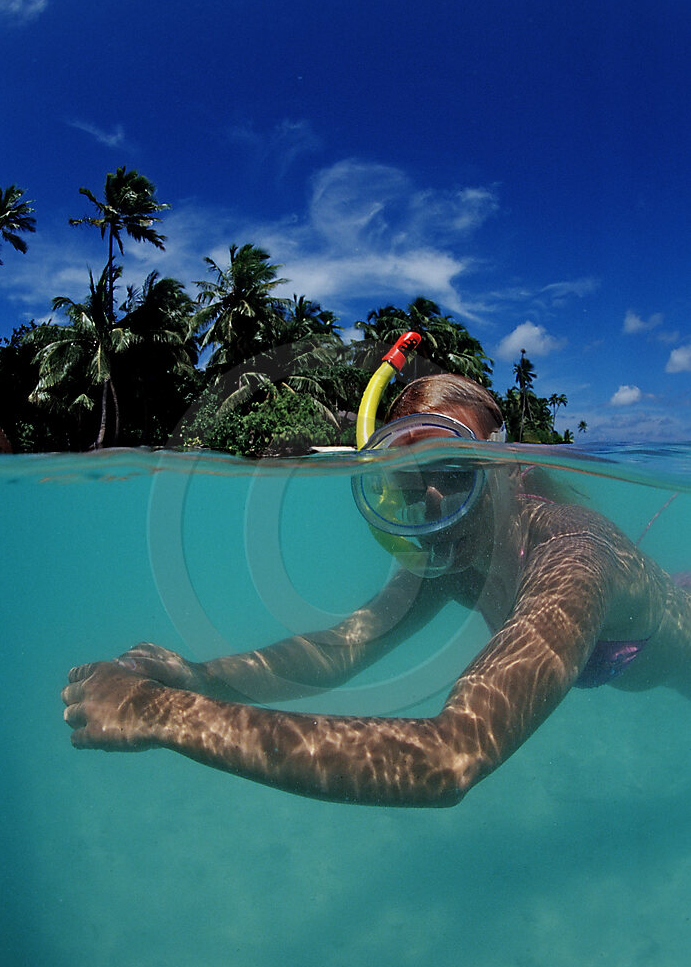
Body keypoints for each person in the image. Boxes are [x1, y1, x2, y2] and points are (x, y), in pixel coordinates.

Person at [62, 341, 691, 808]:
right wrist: (194, 675)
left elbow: (451, 756)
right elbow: (340, 650)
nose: (437, 505)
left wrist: (164, 713)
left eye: (457, 471)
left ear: (511, 468)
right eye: (411, 480)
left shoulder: (572, 553)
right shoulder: (447, 565)